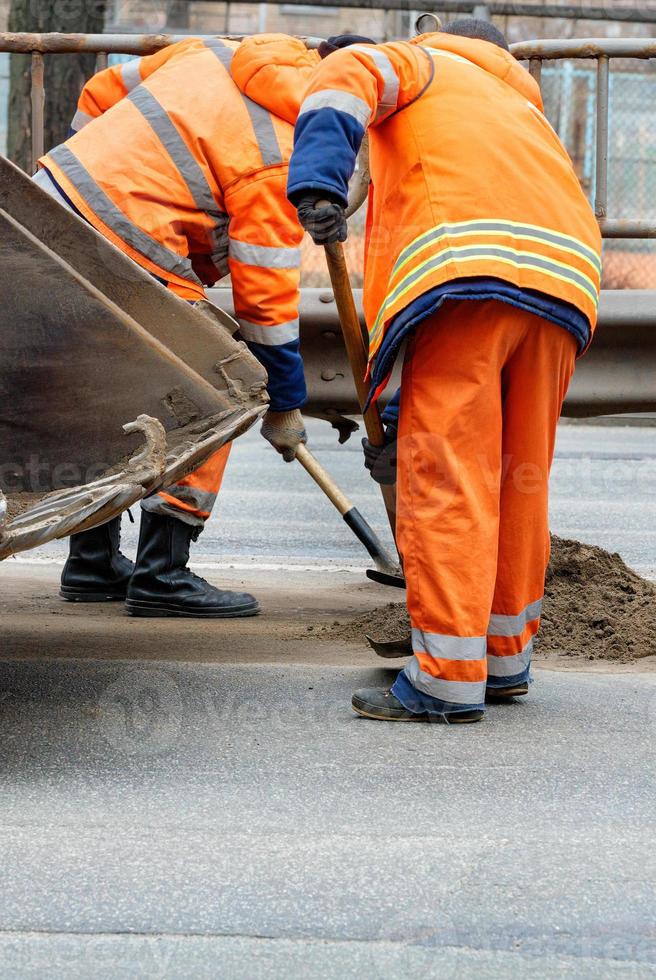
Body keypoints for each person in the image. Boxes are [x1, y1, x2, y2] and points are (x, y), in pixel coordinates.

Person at [288, 22, 602, 721]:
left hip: (467, 270)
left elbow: (343, 80)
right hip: (566, 287)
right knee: (518, 480)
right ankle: (502, 660)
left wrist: (318, 181)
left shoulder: (419, 62)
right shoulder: (517, 106)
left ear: (437, 34)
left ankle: (445, 678)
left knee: (450, 474)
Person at [34, 33, 318, 617]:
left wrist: (96, 171)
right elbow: (264, 305)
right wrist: (285, 403)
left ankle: (91, 561)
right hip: (128, 246)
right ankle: (163, 573)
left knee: (109, 391)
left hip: (47, 210)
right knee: (213, 385)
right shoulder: (282, 156)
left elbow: (100, 89)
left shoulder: (215, 52)